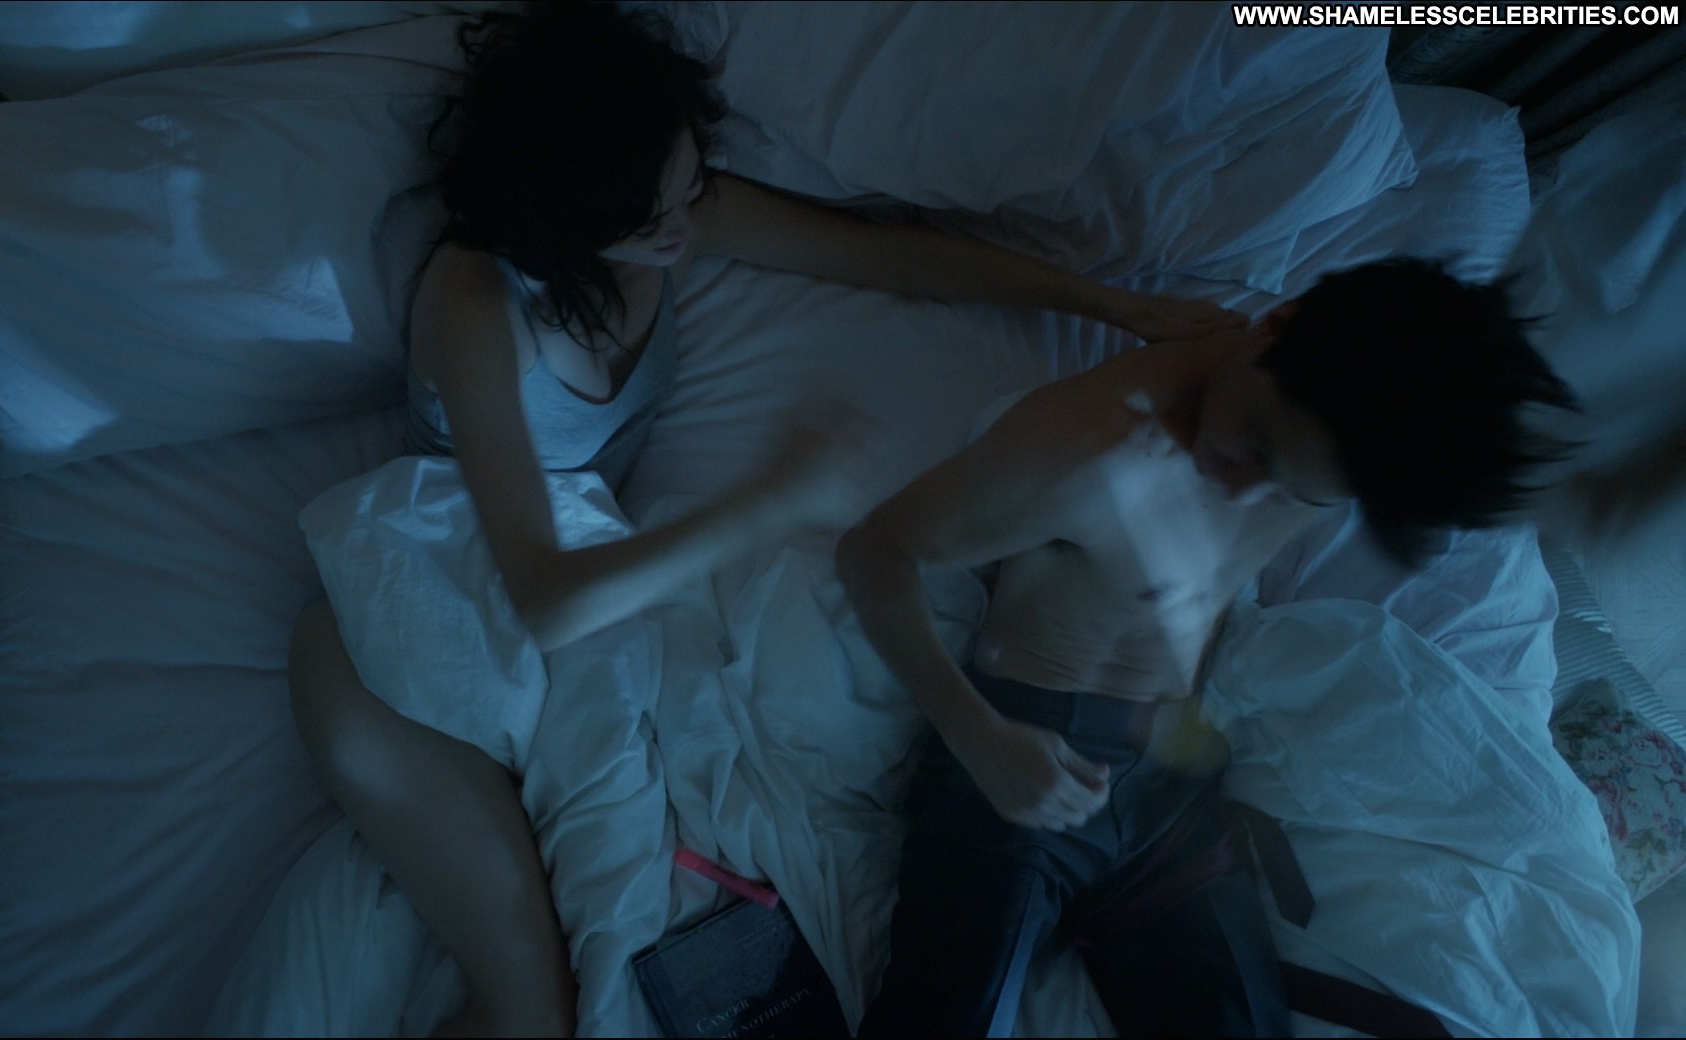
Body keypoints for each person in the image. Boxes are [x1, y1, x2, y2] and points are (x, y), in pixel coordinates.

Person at [284, 3, 1242, 1035]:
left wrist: (1117, 306)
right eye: (648, 216)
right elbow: (545, 596)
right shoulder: (480, 301)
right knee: (534, 1006)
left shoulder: (671, 214)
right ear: (562, 218)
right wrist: (770, 501)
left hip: (540, 639)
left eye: (689, 183)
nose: (682, 226)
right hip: (406, 634)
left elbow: (894, 261)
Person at [835, 257, 1582, 1037]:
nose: (1242, 489)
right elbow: (875, 551)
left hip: (1171, 786)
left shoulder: (1341, 438)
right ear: (1276, 326)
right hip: (1023, 758)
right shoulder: (1091, 446)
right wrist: (976, 737)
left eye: (1291, 490)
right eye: (1254, 443)